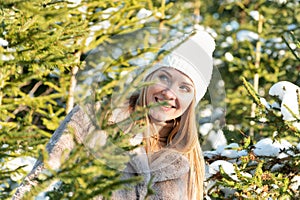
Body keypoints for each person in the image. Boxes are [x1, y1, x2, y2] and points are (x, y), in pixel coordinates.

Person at [13, 30, 215, 200]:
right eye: (164, 77)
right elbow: (42, 181)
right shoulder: (93, 119)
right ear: (149, 77)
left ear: (192, 102)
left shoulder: (187, 159)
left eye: (185, 88)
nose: (169, 93)